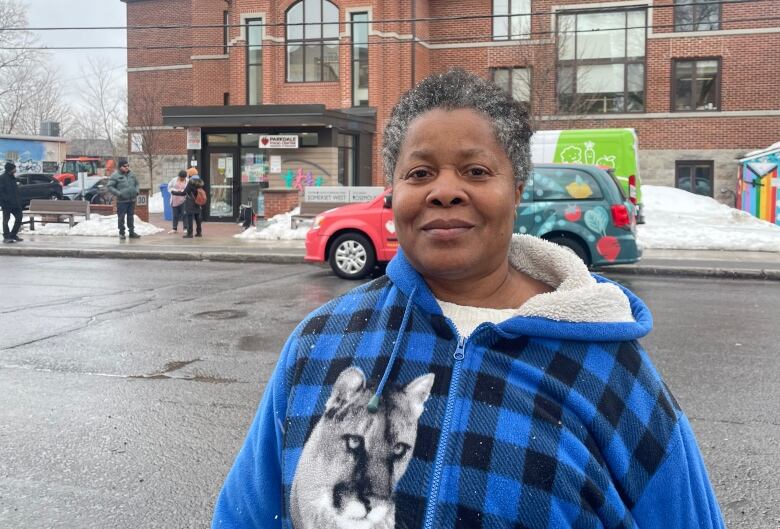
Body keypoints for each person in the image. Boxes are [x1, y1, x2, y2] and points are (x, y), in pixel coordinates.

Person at [212, 69, 726, 529]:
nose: (444, 191)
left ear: (517, 189)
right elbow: (244, 516)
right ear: (393, 193)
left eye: (476, 171)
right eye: (419, 173)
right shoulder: (319, 344)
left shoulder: (613, 373)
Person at [107, 159, 140, 240]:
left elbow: (137, 183)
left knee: (130, 217)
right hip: (122, 201)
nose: (127, 167)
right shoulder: (115, 175)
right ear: (120, 167)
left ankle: (131, 232)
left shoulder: (132, 174)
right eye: (125, 166)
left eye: (128, 166)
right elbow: (109, 186)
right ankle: (121, 233)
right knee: (121, 217)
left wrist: (137, 191)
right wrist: (119, 193)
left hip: (132, 200)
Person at [0, 161, 23, 243]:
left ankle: (13, 234)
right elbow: (1, 191)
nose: (15, 169)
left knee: (19, 217)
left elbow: (15, 190)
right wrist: (6, 200)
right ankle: (6, 237)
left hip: (15, 203)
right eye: (14, 168)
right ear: (10, 169)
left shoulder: (13, 177)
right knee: (6, 220)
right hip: (6, 204)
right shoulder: (2, 178)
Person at [182, 172, 204, 238]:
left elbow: (185, 192)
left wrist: (175, 192)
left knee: (189, 218)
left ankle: (190, 233)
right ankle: (199, 232)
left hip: (190, 202)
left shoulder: (191, 182)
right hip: (198, 202)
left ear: (191, 174)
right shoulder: (200, 182)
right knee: (197, 217)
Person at [167, 170, 189, 234]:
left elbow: (188, 189)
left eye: (183, 178)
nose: (182, 179)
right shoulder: (174, 180)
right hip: (175, 199)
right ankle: (174, 228)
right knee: (175, 215)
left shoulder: (187, 181)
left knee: (184, 214)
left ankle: (185, 228)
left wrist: (183, 191)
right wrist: (173, 191)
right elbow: (169, 187)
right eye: (181, 177)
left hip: (184, 200)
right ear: (179, 176)